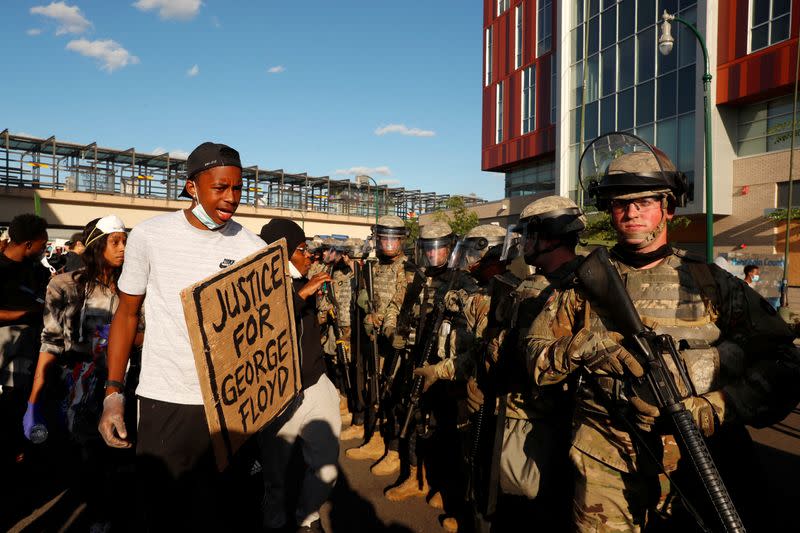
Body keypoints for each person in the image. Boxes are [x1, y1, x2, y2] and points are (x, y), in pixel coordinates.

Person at [525, 132, 800, 532]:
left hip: (698, 458)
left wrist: (718, 405)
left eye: (646, 202)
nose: (632, 213)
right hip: (605, 458)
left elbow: (787, 362)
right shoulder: (581, 283)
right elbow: (534, 358)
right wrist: (587, 346)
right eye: (620, 204)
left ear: (669, 208)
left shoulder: (712, 284)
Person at [98, 142, 266, 530]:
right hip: (165, 399)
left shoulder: (253, 248)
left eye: (238, 189)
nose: (231, 199)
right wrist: (112, 392)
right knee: (161, 512)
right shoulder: (149, 236)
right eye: (220, 188)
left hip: (229, 407)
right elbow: (126, 313)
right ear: (192, 187)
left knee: (222, 512)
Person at [24, 215, 135, 530]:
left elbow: (145, 333)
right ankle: (95, 515)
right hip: (77, 386)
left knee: (120, 456)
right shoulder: (63, 285)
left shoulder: (134, 289)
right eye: (116, 241)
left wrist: (121, 336)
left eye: (126, 240)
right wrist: (34, 401)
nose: (123, 248)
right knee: (85, 457)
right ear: (98, 244)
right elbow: (50, 343)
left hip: (125, 383)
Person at [257, 218, 341, 533]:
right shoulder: (261, 288)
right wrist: (299, 294)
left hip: (316, 384)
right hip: (276, 394)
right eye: (302, 250)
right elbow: (261, 328)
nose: (310, 257)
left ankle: (307, 515)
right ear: (282, 253)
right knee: (274, 476)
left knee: (327, 467)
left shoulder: (307, 281)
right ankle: (275, 522)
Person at [382, 221, 456, 505]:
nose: (433, 255)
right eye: (428, 249)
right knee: (410, 415)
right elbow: (394, 306)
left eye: (439, 249)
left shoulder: (460, 282)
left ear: (450, 248)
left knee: (442, 426)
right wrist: (391, 330)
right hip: (413, 360)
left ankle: (439, 481)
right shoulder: (414, 277)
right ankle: (413, 476)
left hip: (444, 370)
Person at [344, 216, 410, 463]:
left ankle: (393, 450)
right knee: (372, 390)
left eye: (394, 239)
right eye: (384, 238)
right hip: (372, 341)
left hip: (394, 344)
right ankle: (374, 438)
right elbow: (364, 296)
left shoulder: (408, 268)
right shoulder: (372, 267)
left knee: (392, 396)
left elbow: (405, 304)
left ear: (402, 240)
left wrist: (386, 324)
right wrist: (364, 304)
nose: (389, 244)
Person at [0, 214, 50, 469]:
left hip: (34, 348)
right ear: (28, 244)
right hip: (7, 348)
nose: (45, 248)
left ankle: (23, 450)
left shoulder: (38, 272)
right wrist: (25, 314)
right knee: (9, 402)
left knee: (27, 401)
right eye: (43, 244)